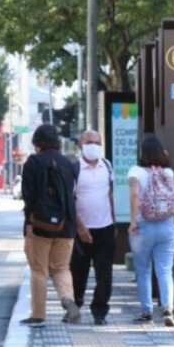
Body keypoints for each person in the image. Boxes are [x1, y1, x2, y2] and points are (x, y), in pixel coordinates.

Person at [19, 125, 80, 327]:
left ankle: (38, 315)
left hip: (39, 227)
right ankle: (68, 299)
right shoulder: (68, 164)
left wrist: (29, 223)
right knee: (61, 268)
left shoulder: (33, 163)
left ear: (37, 143)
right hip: (66, 226)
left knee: (39, 271)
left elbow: (28, 197)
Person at [128, 136, 174, 327]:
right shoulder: (168, 172)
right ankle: (168, 308)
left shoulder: (135, 171)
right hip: (168, 227)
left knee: (143, 271)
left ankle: (147, 311)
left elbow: (135, 194)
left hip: (143, 227)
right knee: (165, 270)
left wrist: (133, 221)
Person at [70, 130, 115, 326]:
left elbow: (110, 194)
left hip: (105, 228)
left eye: (97, 142)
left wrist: (114, 221)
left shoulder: (107, 166)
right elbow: (69, 200)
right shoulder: (75, 168)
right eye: (89, 142)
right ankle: (74, 307)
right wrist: (80, 227)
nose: (94, 146)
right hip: (81, 230)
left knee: (104, 274)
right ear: (80, 145)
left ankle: (100, 311)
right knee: (78, 272)